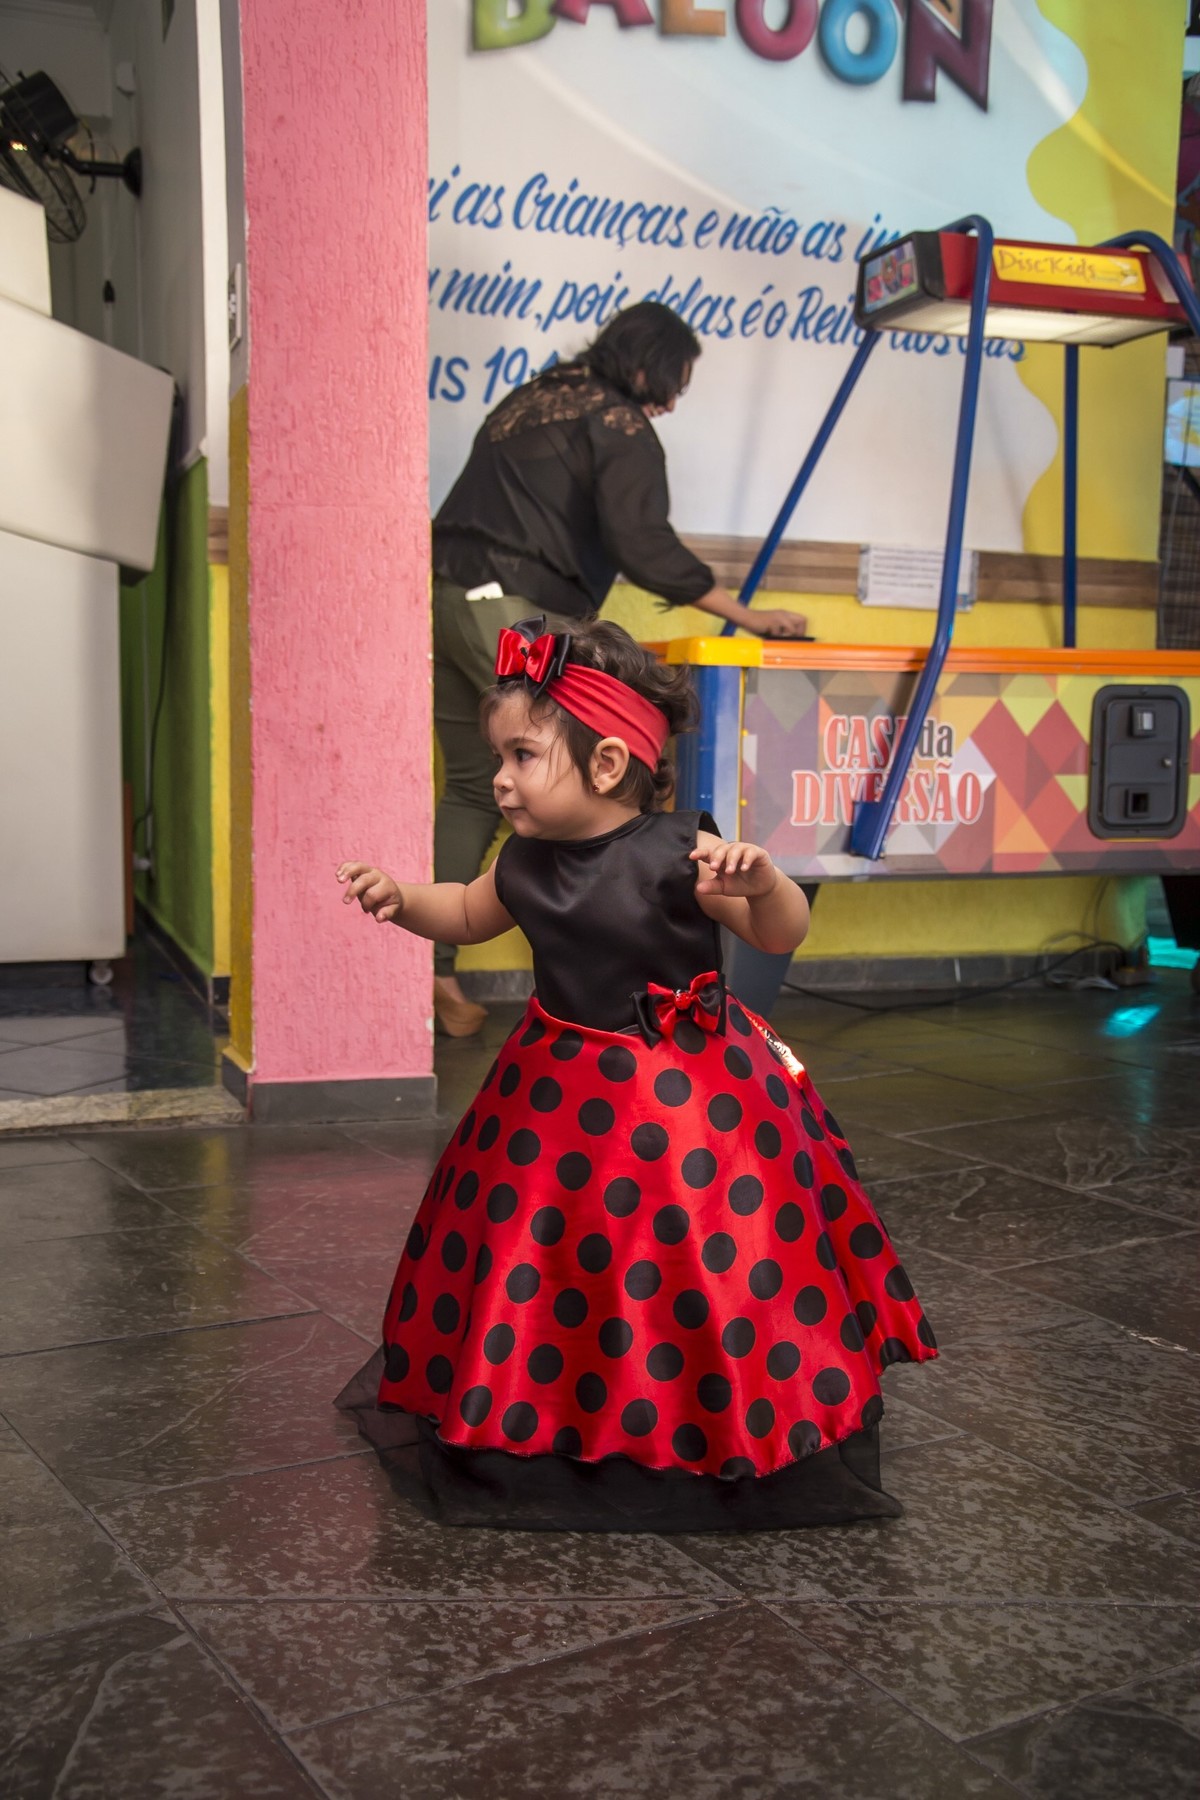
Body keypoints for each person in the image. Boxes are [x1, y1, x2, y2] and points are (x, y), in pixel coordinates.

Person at [334, 618, 935, 1532]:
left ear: (608, 764)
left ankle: (704, 1416)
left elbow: (779, 933)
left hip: (683, 1100)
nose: (500, 779)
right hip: (552, 1091)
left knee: (692, 1258)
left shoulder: (681, 854)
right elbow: (463, 913)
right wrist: (401, 899)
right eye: (498, 757)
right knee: (549, 1253)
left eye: (522, 756)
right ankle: (551, 1413)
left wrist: (766, 883)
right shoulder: (523, 860)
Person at [430, 300, 809, 1037]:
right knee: (581, 782)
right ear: (645, 366)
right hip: (515, 604)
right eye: (673, 383)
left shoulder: (534, 398)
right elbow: (644, 543)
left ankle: (436, 975)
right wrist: (749, 615)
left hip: (452, 598)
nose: (670, 403)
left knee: (475, 786)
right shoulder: (617, 419)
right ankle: (599, 982)